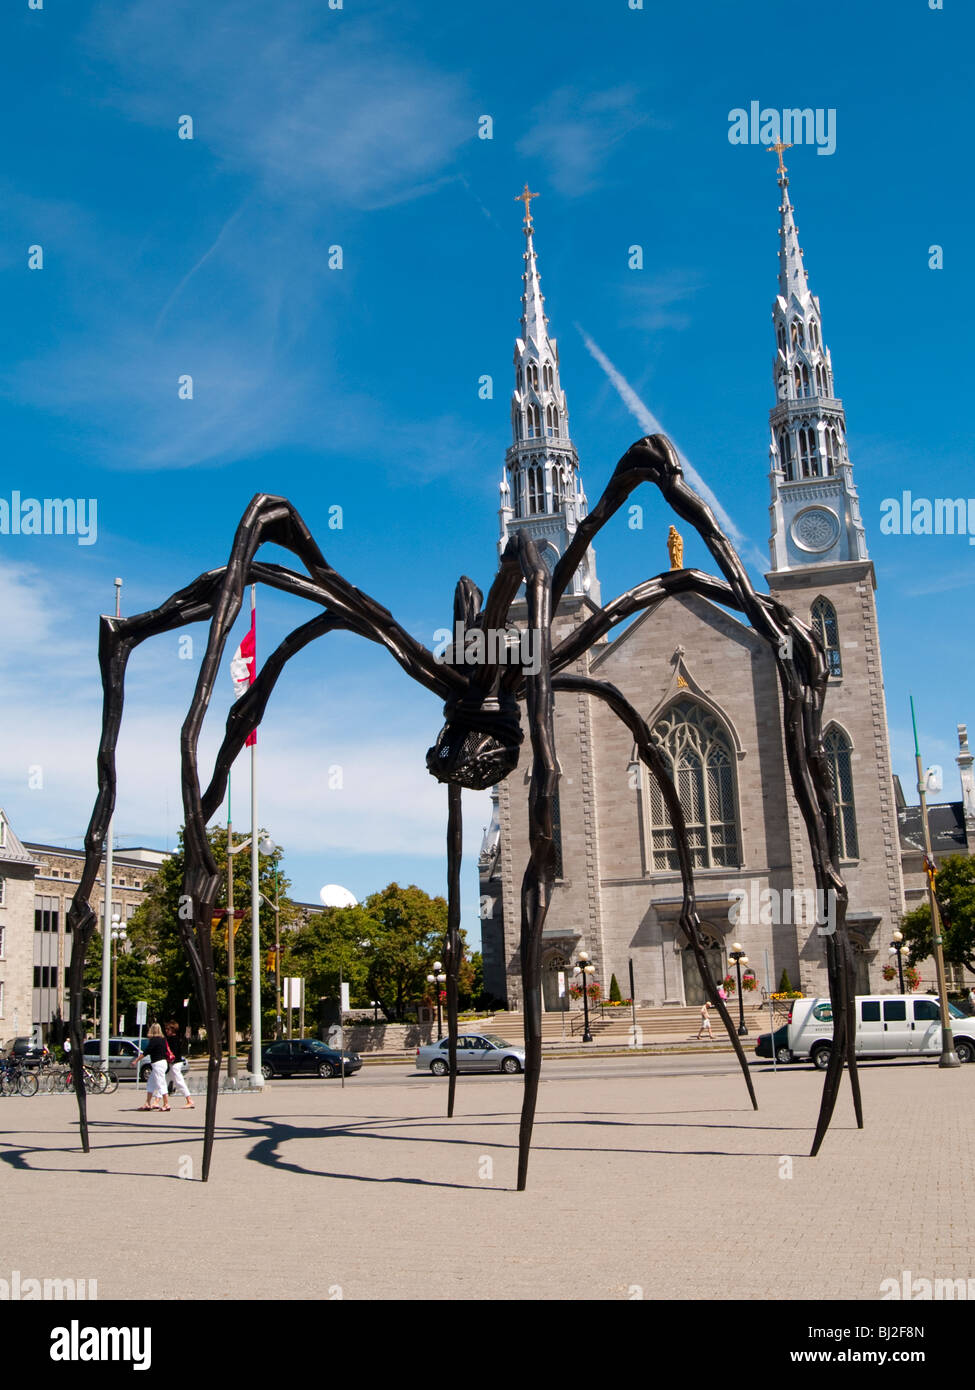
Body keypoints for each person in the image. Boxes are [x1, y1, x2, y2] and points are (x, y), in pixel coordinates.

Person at [134, 1023, 171, 1111]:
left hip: (157, 1064)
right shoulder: (163, 1039)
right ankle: (147, 1103)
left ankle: (166, 1104)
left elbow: (146, 1052)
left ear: (152, 1030)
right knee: (150, 1082)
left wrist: (136, 1060)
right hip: (163, 1063)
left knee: (161, 1084)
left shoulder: (154, 1040)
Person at [164, 1021, 194, 1109]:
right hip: (173, 1063)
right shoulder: (174, 1038)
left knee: (179, 1081)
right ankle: (156, 1100)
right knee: (165, 1081)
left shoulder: (173, 1039)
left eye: (168, 1029)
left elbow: (174, 1052)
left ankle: (189, 1100)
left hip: (175, 1063)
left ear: (172, 1030)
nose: (166, 1031)